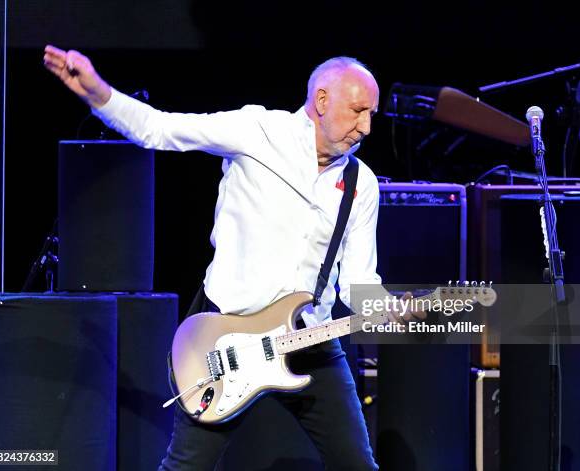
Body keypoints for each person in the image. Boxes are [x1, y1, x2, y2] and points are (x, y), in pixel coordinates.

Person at [43, 45, 423, 470]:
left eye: (371, 114)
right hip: (226, 339)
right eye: (358, 111)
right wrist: (98, 92)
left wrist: (385, 307)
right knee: (187, 465)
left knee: (357, 465)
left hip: (311, 343)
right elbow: (160, 130)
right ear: (321, 101)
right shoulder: (256, 130)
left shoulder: (361, 184)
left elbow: (357, 279)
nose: (366, 126)